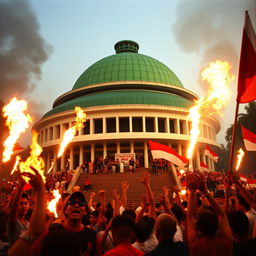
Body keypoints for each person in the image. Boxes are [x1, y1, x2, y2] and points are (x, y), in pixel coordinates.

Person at [186, 172, 233, 256]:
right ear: (218, 225)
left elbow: (189, 217)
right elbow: (222, 214)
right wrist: (204, 191)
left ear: (198, 228)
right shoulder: (226, 242)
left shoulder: (194, 244)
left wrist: (192, 191)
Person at [46, 191, 96, 256]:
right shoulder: (52, 230)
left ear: (85, 211)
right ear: (66, 210)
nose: (76, 205)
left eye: (81, 203)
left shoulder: (92, 235)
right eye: (72, 203)